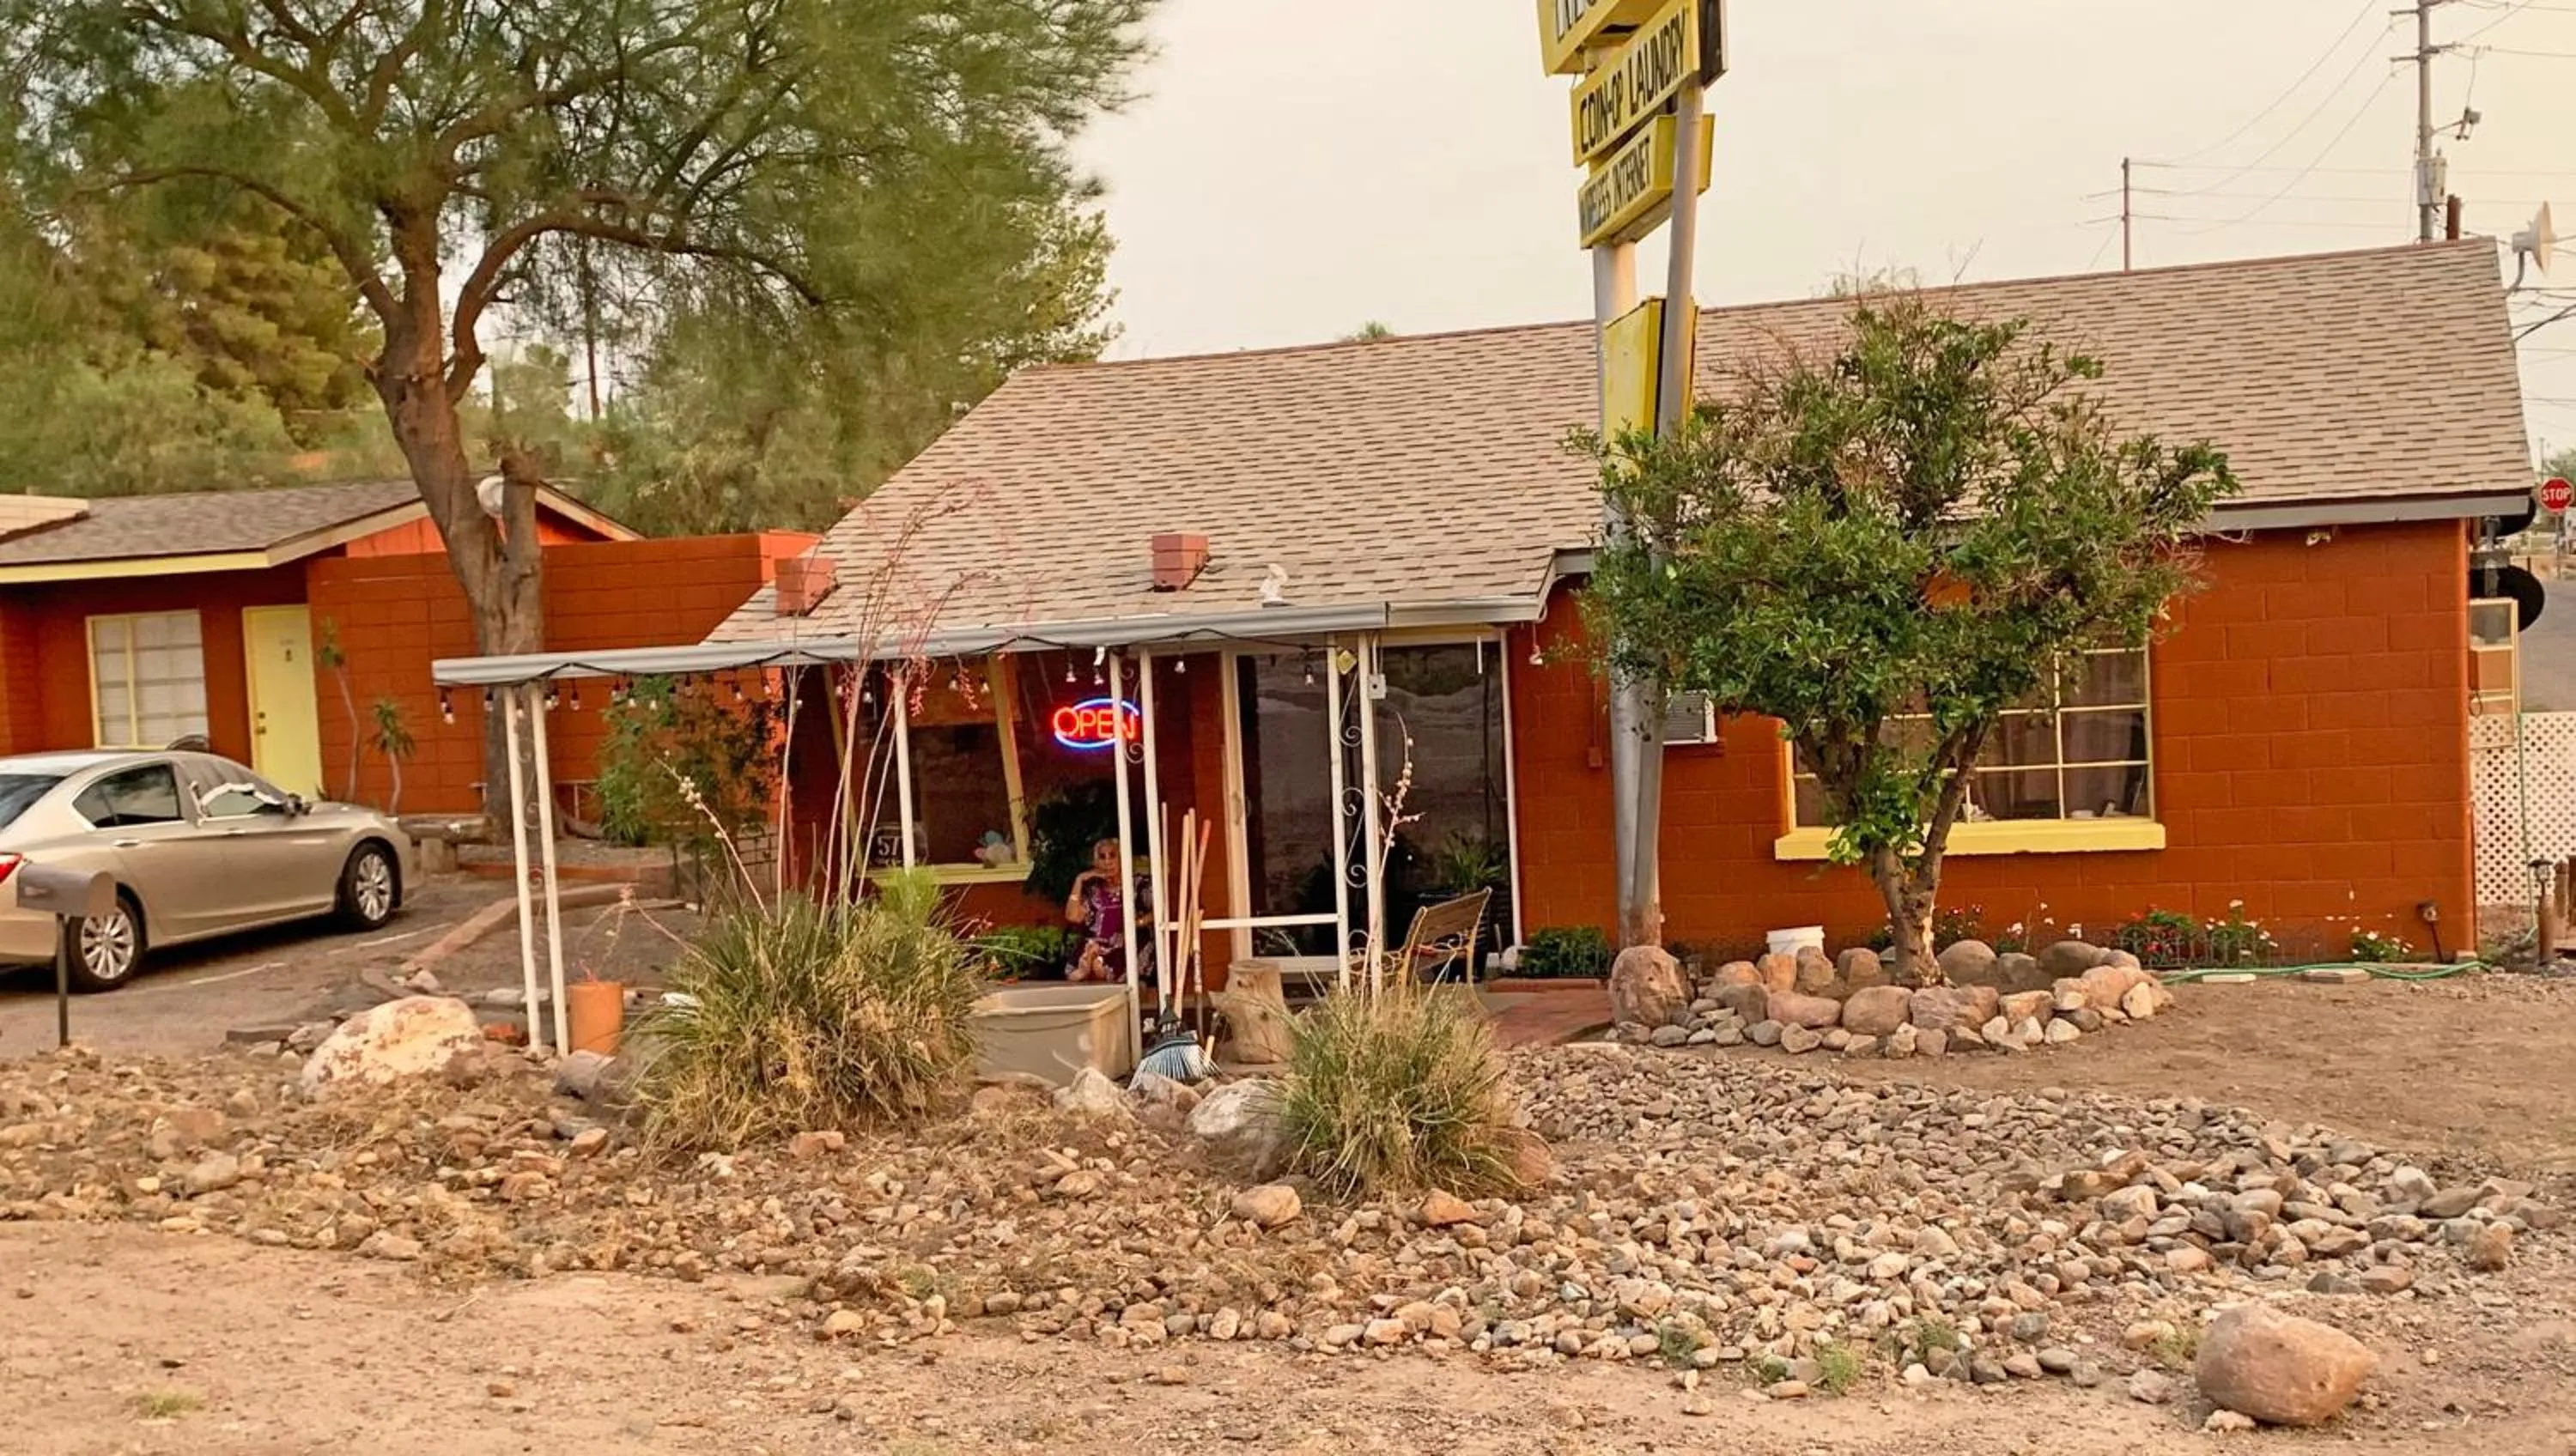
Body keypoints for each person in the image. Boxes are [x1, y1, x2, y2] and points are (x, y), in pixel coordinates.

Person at [1065, 838, 1152, 985]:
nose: (1107, 862)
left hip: (1123, 944)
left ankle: (1096, 967)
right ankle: (1090, 965)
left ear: (1122, 859)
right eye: (1102, 857)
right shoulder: (1092, 889)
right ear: (1096, 863)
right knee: (1089, 953)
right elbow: (1073, 916)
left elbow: (1160, 910)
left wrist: (1137, 923)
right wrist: (1079, 880)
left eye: (1112, 856)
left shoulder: (1138, 885)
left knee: (1100, 963)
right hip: (1094, 944)